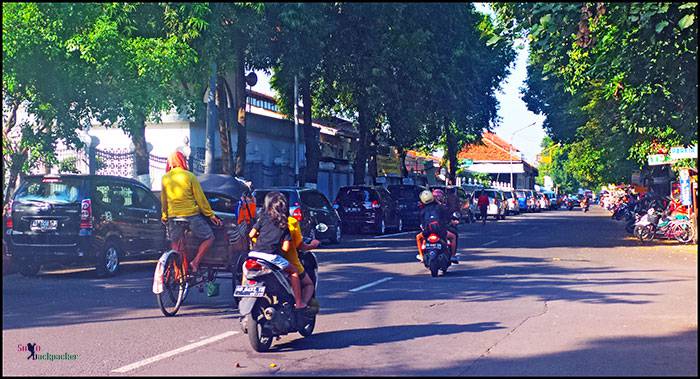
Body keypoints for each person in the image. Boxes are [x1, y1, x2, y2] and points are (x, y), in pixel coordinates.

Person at [161, 151, 222, 274]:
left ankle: (178, 272)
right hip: (191, 216)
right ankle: (195, 262)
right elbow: (200, 199)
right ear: (182, 160)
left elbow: (164, 200)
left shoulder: (165, 178)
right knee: (209, 237)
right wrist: (210, 215)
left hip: (173, 217)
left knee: (175, 242)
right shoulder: (189, 176)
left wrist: (164, 216)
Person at [248, 192, 306, 310]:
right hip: (271, 257)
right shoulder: (284, 224)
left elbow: (251, 234)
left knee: (247, 273)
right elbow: (285, 248)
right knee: (294, 271)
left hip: (253, 254)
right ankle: (299, 302)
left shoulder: (263, 218)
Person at [415, 189, 458, 264]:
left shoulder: (423, 210)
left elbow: (420, 221)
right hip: (440, 231)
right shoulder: (440, 207)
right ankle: (453, 256)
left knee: (418, 237)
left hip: (427, 232)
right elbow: (447, 214)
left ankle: (421, 256)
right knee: (453, 236)